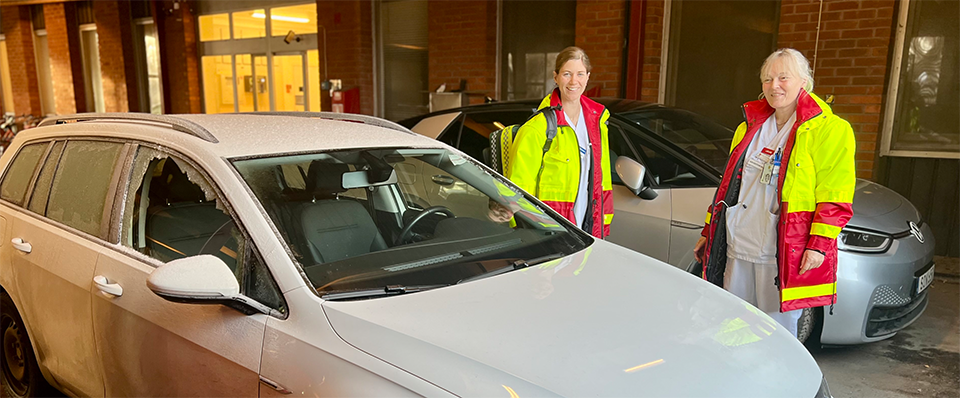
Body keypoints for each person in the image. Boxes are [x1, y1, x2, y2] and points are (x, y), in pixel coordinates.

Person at [693, 48, 856, 337]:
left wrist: (819, 244)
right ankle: (738, 379)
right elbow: (728, 187)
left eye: (783, 77)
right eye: (767, 80)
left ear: (804, 82)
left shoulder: (829, 130)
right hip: (738, 242)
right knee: (731, 322)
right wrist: (709, 232)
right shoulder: (749, 127)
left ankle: (775, 380)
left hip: (779, 248)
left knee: (776, 330)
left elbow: (835, 193)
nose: (774, 86)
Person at [506, 47, 614, 238]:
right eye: (567, 74)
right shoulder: (538, 127)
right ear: (555, 77)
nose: (574, 81)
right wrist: (525, 232)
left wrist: (603, 226)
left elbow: (603, 179)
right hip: (549, 230)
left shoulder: (597, 123)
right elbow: (518, 185)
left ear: (588, 77)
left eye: (580, 74)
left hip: (588, 227)